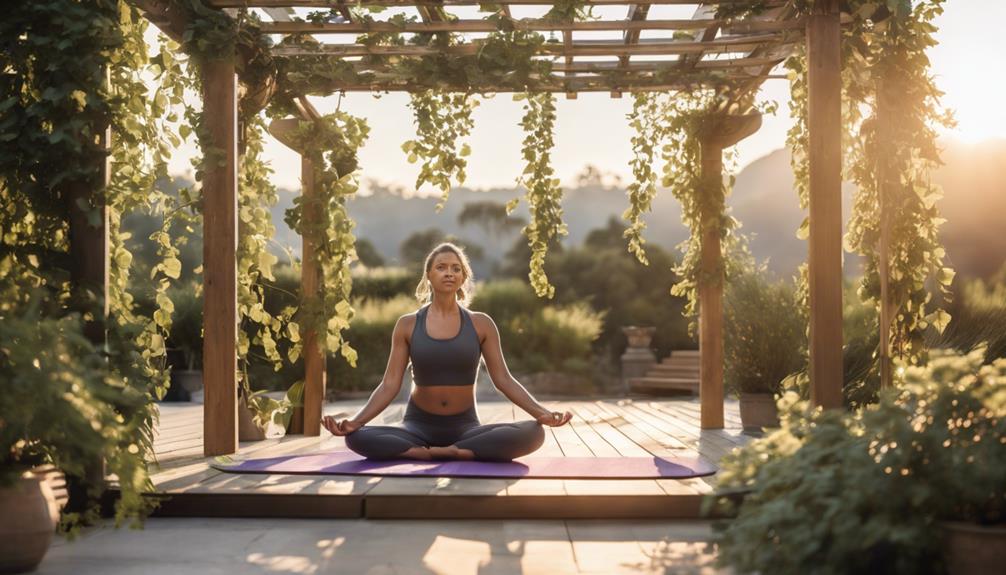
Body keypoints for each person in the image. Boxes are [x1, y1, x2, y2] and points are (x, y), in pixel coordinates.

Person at [323, 242, 573, 461]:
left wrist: (543, 414)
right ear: (429, 275)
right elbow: (389, 384)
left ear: (464, 277)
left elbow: (504, 380)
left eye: (456, 268)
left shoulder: (481, 323)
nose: (449, 273)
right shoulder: (407, 325)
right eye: (441, 267)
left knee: (533, 432)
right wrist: (356, 422)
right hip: (416, 426)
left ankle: (448, 451)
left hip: (465, 427)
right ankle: (432, 451)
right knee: (357, 438)